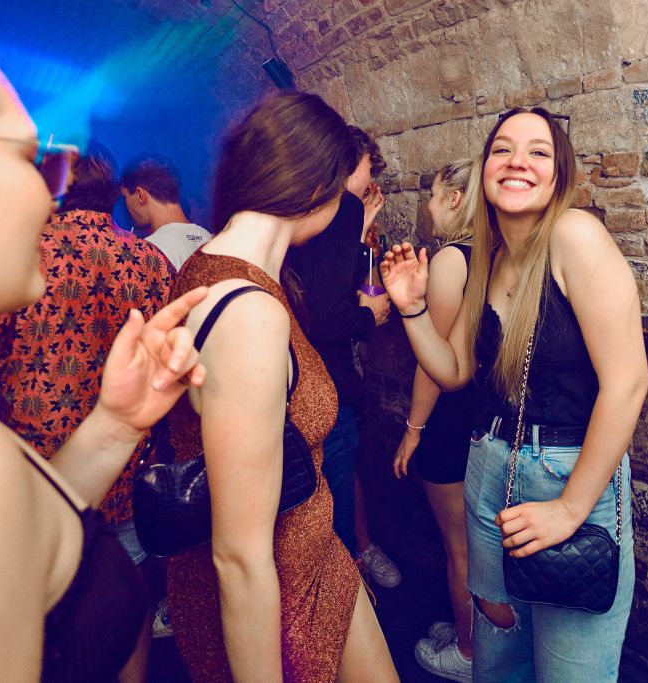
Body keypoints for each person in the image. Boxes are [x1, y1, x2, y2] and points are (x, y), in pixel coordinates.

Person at [0, 43, 208, 681]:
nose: (45, 194)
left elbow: (36, 550)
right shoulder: (147, 257)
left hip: (47, 444)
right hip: (131, 478)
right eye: (28, 160)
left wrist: (114, 425)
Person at [381, 108, 648, 682]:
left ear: (559, 174)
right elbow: (455, 371)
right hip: (488, 469)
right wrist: (412, 310)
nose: (517, 161)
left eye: (538, 152)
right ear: (485, 170)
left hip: (568, 473)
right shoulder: (490, 257)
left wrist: (571, 508)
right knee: (499, 660)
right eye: (502, 149)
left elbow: (627, 382)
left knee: (570, 671)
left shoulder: (575, 236)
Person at [164, 91, 398, 682]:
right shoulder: (248, 313)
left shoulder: (228, 269)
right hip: (280, 589)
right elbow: (240, 556)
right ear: (317, 187)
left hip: (316, 555)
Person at [0, 142, 175, 568]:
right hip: (128, 471)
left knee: (45, 590)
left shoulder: (24, 253)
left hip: (42, 473)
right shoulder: (152, 259)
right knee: (120, 588)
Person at [285, 125, 401, 588]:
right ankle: (349, 590)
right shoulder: (342, 206)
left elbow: (355, 288)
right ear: (349, 164)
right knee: (329, 491)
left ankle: (359, 556)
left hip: (311, 379)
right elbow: (330, 315)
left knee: (341, 475)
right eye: (369, 167)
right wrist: (368, 318)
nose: (372, 180)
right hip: (324, 379)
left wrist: (363, 236)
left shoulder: (338, 216)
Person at [391, 158, 479, 681]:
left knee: (460, 546)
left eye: (434, 194)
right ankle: (478, 634)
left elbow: (436, 360)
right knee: (482, 542)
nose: (427, 205)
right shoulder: (495, 252)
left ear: (454, 199)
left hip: (450, 420)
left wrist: (413, 430)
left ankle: (468, 653)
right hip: (486, 417)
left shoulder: (451, 259)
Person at [121, 154, 212, 270]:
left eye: (125, 197)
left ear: (140, 195)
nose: (126, 206)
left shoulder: (150, 250)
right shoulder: (207, 237)